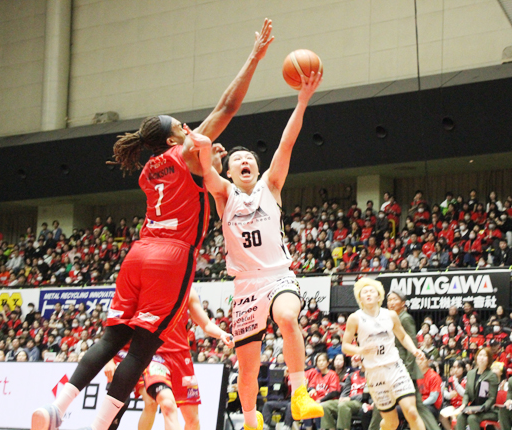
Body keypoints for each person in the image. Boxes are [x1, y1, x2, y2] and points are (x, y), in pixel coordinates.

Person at [31, 18, 275, 430]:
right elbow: (226, 108)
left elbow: (198, 178)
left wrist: (209, 160)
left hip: (138, 254)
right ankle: (99, 425)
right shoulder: (184, 151)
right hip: (171, 256)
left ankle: (58, 406)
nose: (188, 128)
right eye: (181, 127)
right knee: (142, 348)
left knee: (112, 338)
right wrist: (253, 58)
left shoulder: (148, 172)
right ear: (172, 140)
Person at [197, 71, 323, 430]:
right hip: (246, 287)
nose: (244, 162)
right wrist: (205, 149)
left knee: (287, 317)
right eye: (237, 160)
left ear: (256, 165)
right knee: (248, 370)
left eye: (249, 158)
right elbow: (204, 171)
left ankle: (300, 393)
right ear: (230, 172)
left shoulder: (271, 184)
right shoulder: (224, 194)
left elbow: (286, 143)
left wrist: (302, 101)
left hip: (279, 276)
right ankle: (251, 422)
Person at [107, 288, 233, 430]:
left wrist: (222, 334)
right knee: (164, 404)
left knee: (193, 420)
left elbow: (206, 324)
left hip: (182, 358)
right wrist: (110, 358)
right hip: (156, 355)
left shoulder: (188, 291)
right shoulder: (148, 285)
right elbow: (118, 321)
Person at [342, 278, 426, 430]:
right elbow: (345, 346)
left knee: (412, 412)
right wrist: (360, 350)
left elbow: (403, 336)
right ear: (360, 298)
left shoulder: (390, 315)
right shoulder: (355, 318)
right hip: (375, 373)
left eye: (371, 291)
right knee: (391, 423)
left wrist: (414, 350)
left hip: (395, 368)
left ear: (379, 296)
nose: (368, 294)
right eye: (364, 292)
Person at [385, 289, 441, 430]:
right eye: (389, 300)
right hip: (394, 369)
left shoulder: (405, 318)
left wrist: (407, 371)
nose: (391, 303)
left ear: (403, 303)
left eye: (395, 299)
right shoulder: (391, 318)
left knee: (387, 406)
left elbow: (411, 345)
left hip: (403, 370)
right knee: (414, 408)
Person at [454, 348, 499, 430]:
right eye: (480, 355)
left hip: (488, 410)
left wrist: (480, 409)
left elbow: (492, 398)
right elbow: (467, 393)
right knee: (460, 416)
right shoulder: (470, 373)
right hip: (473, 408)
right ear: (476, 357)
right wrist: (464, 404)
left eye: (485, 356)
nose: (482, 358)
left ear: (489, 359)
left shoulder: (492, 375)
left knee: (472, 418)